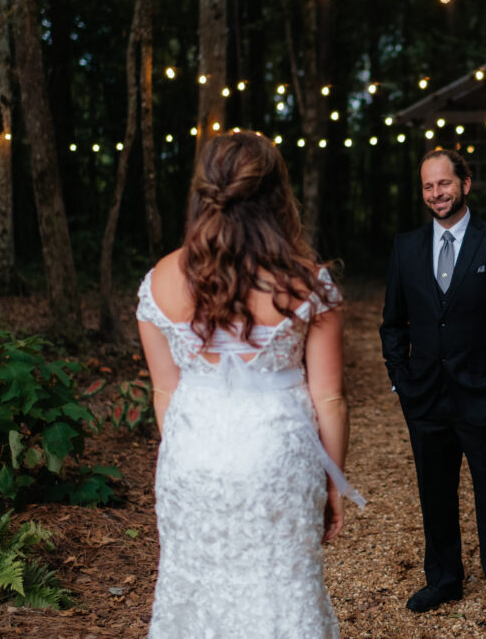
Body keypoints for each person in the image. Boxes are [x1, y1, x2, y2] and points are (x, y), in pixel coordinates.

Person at [137, 132, 364, 637]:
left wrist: (185, 458)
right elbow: (330, 397)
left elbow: (164, 393)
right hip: (277, 456)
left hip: (191, 457)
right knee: (282, 591)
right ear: (277, 196)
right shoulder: (307, 281)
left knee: (196, 591)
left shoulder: (159, 280)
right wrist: (334, 484)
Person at [379, 149, 486, 629]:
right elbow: (393, 323)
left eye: (444, 184)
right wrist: (401, 380)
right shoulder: (405, 248)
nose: (437, 195)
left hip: (485, 394)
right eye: (428, 187)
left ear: (465, 184)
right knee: (435, 491)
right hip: (425, 397)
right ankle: (445, 578)